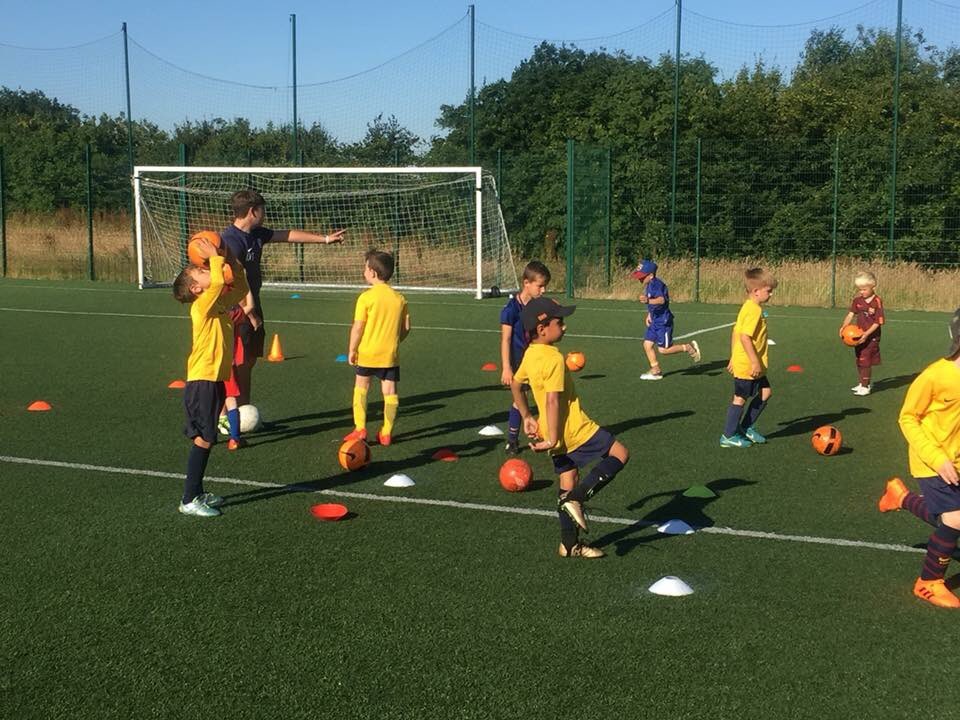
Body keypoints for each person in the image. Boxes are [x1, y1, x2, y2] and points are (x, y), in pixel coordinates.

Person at [511, 297, 630, 559]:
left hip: (548, 429)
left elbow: (516, 385)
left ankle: (569, 544)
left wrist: (527, 416)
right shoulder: (554, 358)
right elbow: (552, 399)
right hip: (572, 429)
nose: (564, 327)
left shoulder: (530, 354)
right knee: (620, 453)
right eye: (559, 322)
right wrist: (554, 438)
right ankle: (577, 498)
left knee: (568, 478)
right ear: (542, 329)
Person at [221, 189, 346, 405]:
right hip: (238, 309)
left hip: (253, 303)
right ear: (253, 211)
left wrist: (325, 239)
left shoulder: (257, 233)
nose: (265, 214)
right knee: (237, 362)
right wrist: (249, 313)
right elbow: (237, 280)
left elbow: (287, 235)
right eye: (263, 210)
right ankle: (228, 413)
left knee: (249, 361)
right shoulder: (230, 240)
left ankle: (243, 409)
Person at [877, 309, 960, 608]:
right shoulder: (935, 376)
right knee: (955, 518)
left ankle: (900, 497)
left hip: (956, 459)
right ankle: (928, 582)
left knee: (951, 517)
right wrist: (937, 458)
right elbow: (908, 418)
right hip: (932, 460)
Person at [171, 235, 249, 517]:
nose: (207, 269)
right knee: (204, 439)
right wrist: (215, 256)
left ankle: (198, 493)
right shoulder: (201, 306)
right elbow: (217, 283)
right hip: (202, 381)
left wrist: (231, 262)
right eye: (201, 270)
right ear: (195, 288)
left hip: (214, 380)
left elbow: (240, 288)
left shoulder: (217, 304)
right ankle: (189, 499)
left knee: (208, 437)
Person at [344, 249, 411, 446]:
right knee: (390, 393)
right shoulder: (399, 299)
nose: (363, 272)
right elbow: (406, 327)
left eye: (365, 268)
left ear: (372, 272)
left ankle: (360, 429)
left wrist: (352, 349)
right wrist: (394, 341)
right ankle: (386, 433)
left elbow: (358, 327)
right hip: (390, 354)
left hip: (367, 352)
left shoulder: (366, 298)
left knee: (361, 388)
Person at [720, 267, 777, 448]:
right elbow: (744, 336)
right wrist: (754, 362)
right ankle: (728, 435)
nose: (771, 294)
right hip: (749, 365)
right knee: (740, 398)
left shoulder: (749, 306)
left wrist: (732, 357)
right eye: (769, 291)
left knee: (765, 392)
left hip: (747, 361)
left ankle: (746, 427)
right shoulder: (753, 310)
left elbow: (735, 332)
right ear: (756, 291)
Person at [500, 261, 551, 455]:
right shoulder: (511, 309)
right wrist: (506, 367)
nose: (543, 290)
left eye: (545, 286)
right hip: (518, 360)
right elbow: (505, 339)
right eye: (540, 286)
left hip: (537, 357)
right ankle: (512, 440)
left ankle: (545, 433)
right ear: (526, 283)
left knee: (545, 395)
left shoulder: (540, 307)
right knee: (520, 397)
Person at [632, 259, 700, 380]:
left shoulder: (657, 284)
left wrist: (648, 301)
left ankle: (688, 347)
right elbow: (653, 305)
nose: (639, 279)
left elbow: (661, 300)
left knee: (664, 350)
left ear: (651, 275)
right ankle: (656, 370)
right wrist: (649, 314)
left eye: (642, 276)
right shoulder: (649, 285)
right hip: (654, 320)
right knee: (647, 345)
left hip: (663, 322)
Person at [839, 271, 884, 396]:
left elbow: (878, 322)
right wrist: (844, 326)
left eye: (864, 289)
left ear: (873, 286)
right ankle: (861, 383)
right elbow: (850, 314)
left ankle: (865, 387)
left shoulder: (877, 301)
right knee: (859, 359)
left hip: (871, 337)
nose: (861, 292)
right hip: (858, 335)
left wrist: (866, 334)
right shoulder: (857, 300)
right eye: (859, 289)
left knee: (865, 360)